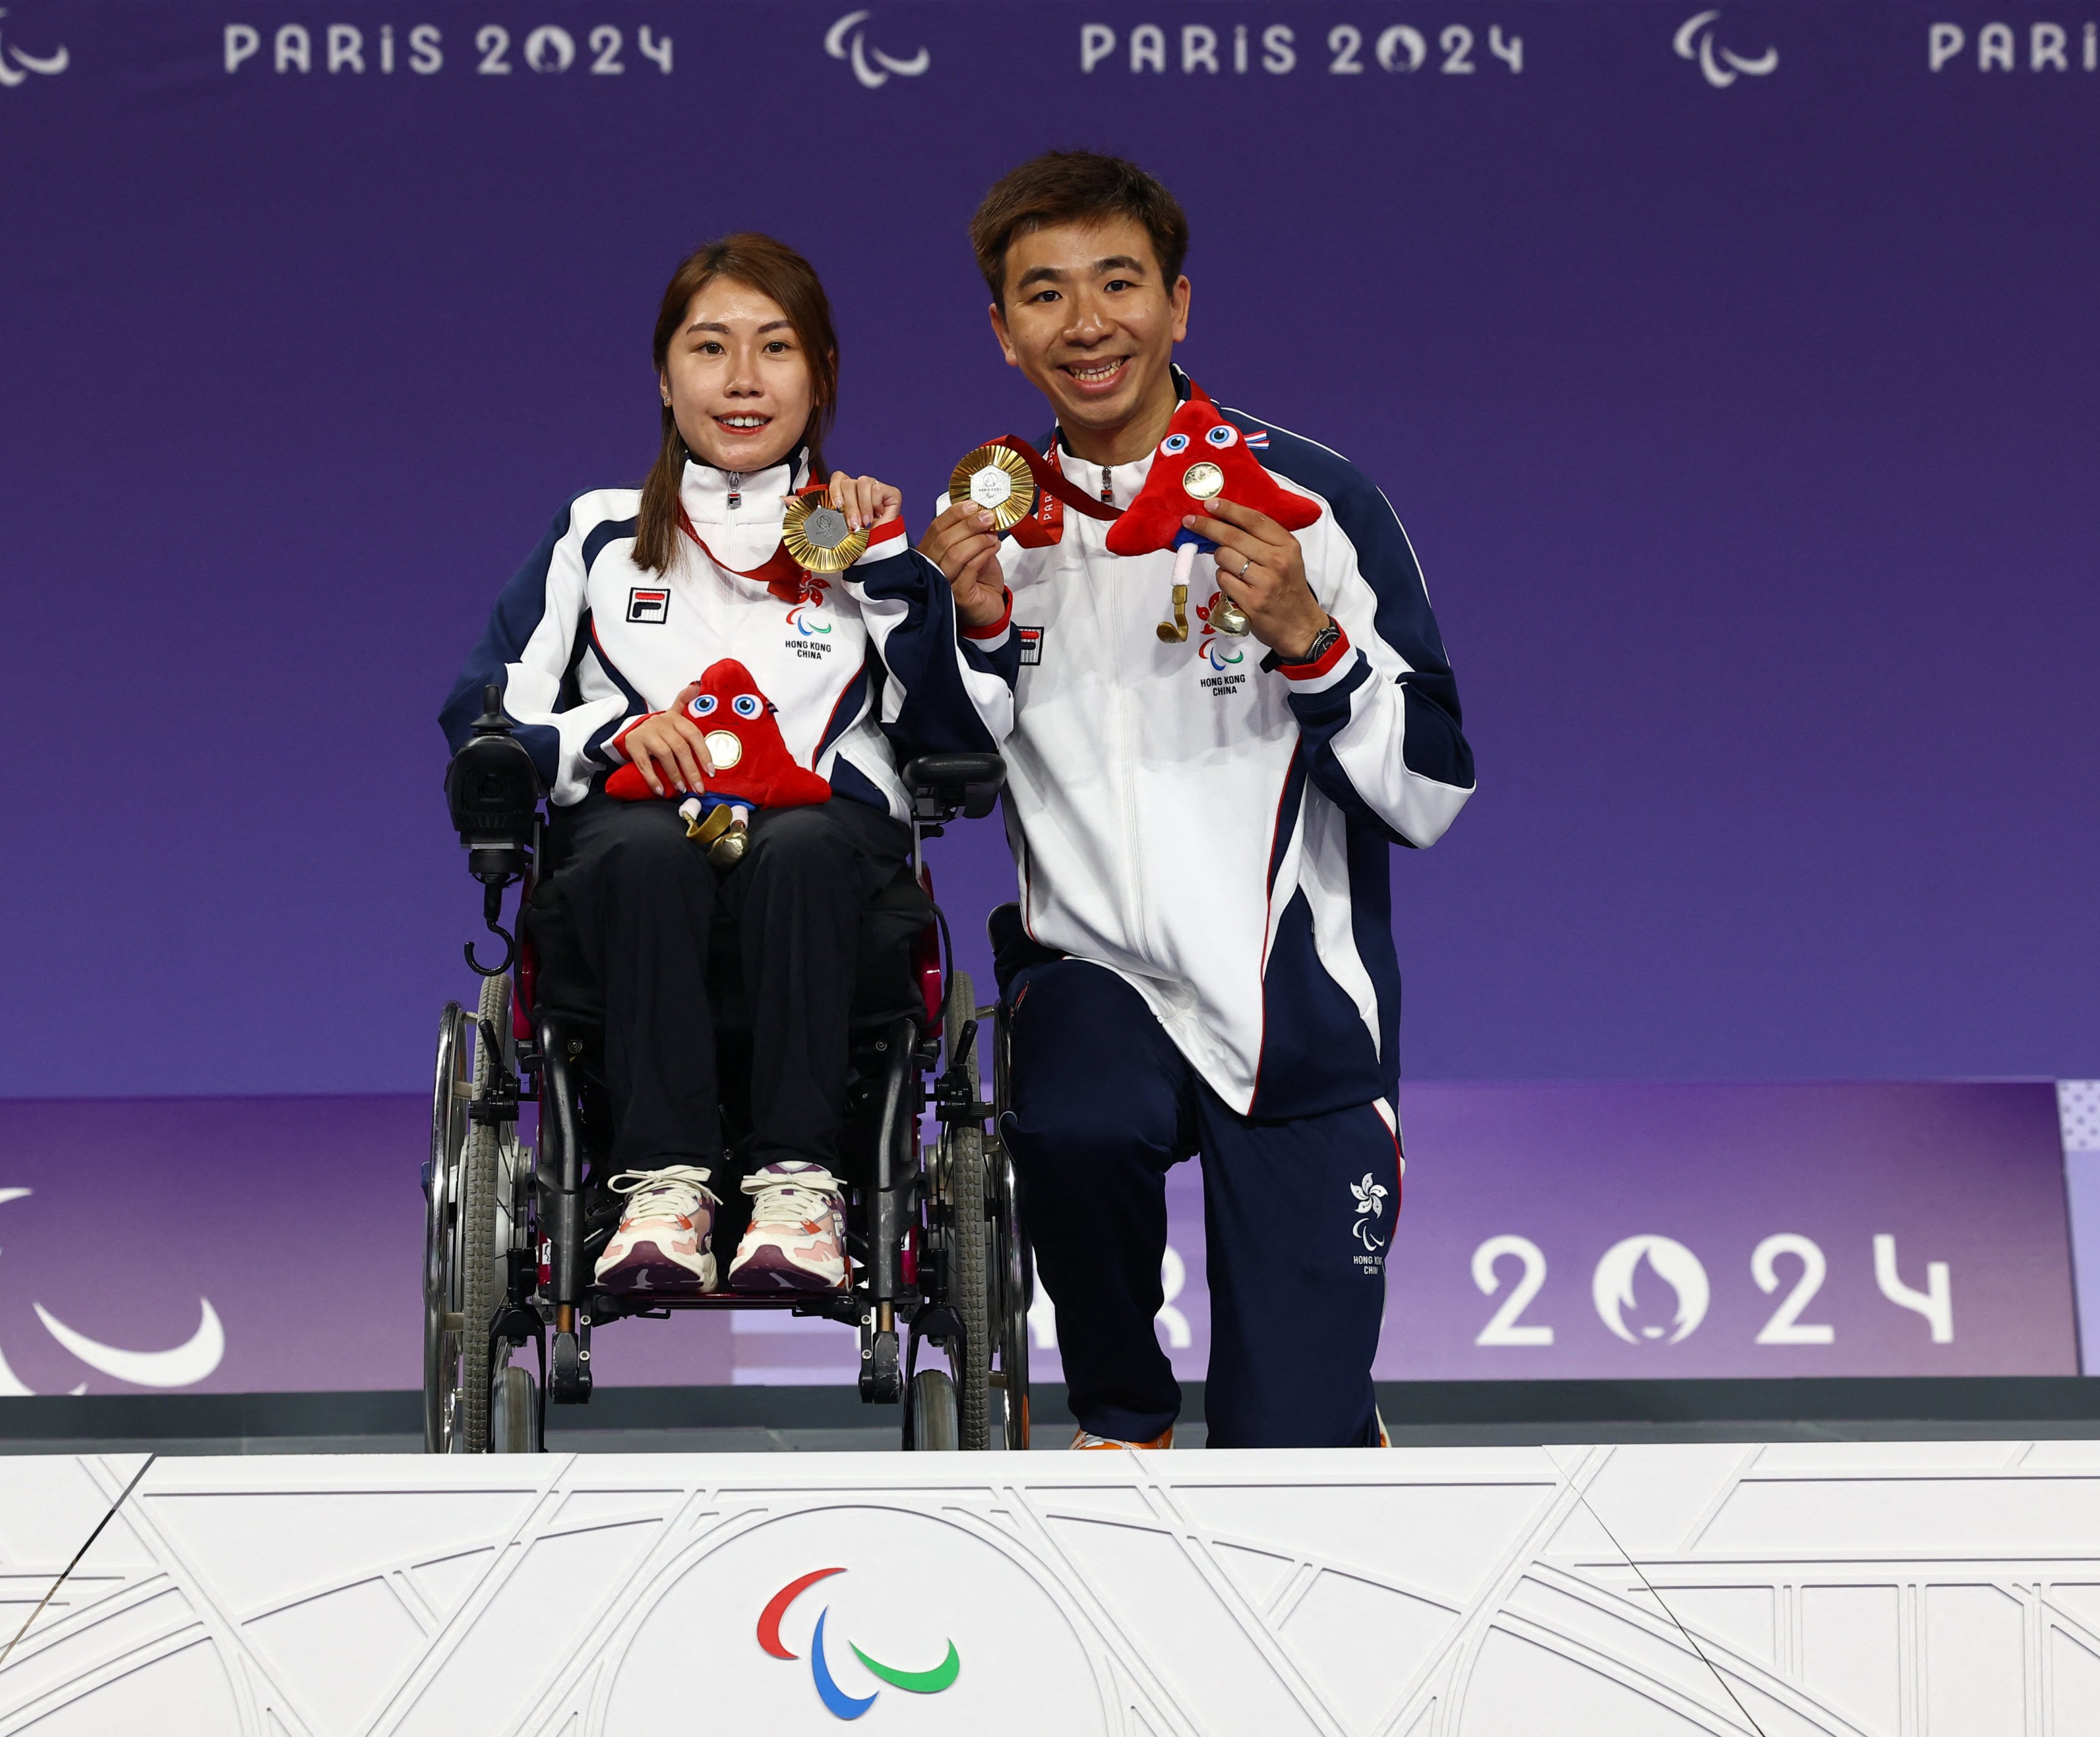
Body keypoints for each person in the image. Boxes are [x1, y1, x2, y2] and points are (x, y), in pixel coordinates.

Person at [916, 153, 1475, 1448]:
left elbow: (1433, 792)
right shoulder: (982, 529)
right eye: (1043, 295)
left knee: (1296, 1458)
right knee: (1070, 1120)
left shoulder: (1310, 504)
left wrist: (1304, 636)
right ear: (1004, 336)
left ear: (1177, 302)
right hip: (1095, 975)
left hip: (1297, 1020)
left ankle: (1321, 1412)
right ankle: (1120, 1411)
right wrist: (984, 624)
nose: (1087, 323)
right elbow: (938, 775)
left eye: (1117, 283)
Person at [440, 234, 1015, 1296]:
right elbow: (484, 714)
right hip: (633, 854)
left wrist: (893, 570)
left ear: (822, 375)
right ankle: (662, 1188)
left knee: (795, 848)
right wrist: (610, 739)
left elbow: (958, 734)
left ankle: (799, 1190)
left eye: (775, 348)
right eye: (710, 349)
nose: (742, 380)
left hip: (824, 860)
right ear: (666, 377)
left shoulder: (865, 542)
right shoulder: (596, 536)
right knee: (648, 850)